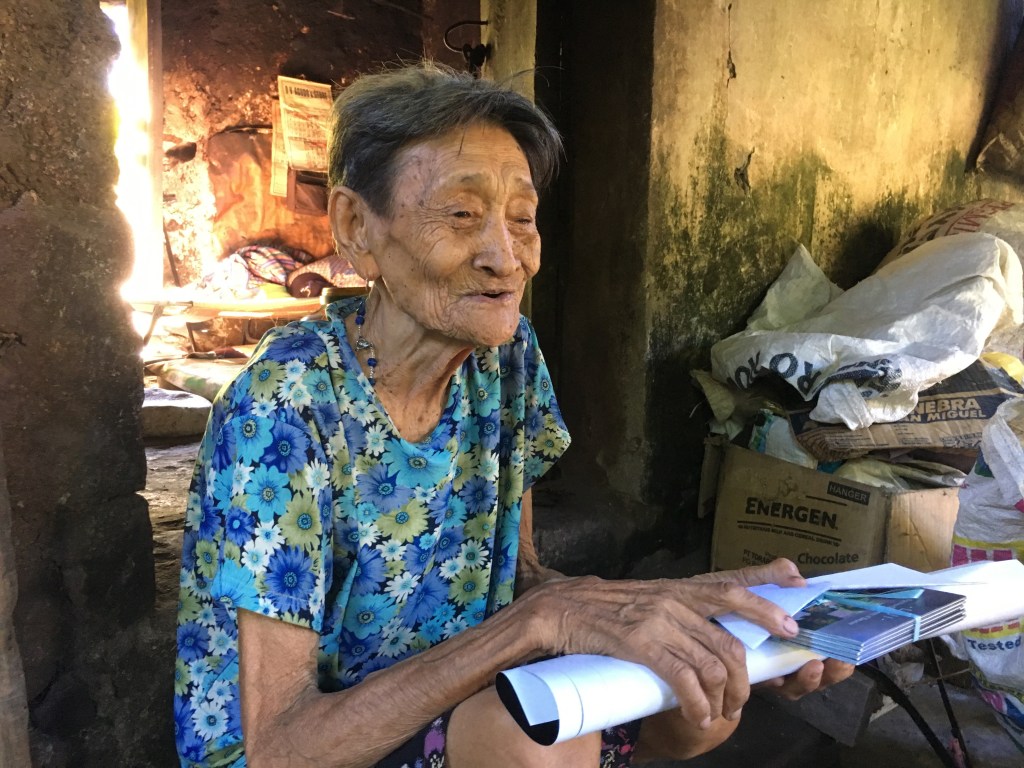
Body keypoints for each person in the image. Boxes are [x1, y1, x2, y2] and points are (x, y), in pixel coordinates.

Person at [173, 62, 853, 768]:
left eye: (523, 219)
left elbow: (519, 580)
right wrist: (539, 622)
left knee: (698, 699)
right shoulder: (286, 402)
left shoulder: (504, 356)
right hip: (318, 745)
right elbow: (284, 747)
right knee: (527, 744)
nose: (507, 258)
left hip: (452, 697)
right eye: (463, 215)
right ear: (356, 226)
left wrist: (682, 605)